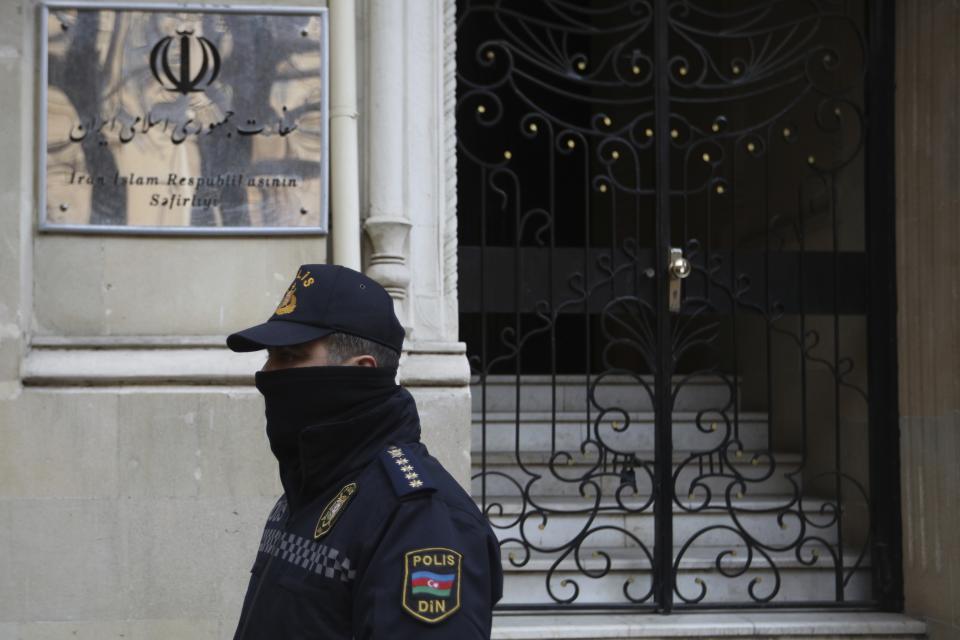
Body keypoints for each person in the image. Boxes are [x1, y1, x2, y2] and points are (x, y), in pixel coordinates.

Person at [226, 264, 503, 639]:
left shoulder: (420, 520)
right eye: (270, 356)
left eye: (289, 356)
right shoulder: (311, 485)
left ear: (361, 370)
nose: (269, 373)